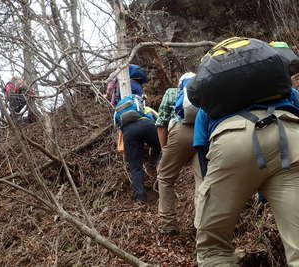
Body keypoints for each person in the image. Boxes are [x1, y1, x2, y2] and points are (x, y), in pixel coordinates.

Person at [193, 88, 299, 266]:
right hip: (288, 136)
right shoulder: (280, 84)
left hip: (233, 142)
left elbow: (201, 144)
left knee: (213, 248)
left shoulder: (211, 94)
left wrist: (213, 187)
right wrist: (266, 194)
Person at [155, 72, 202, 236]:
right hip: (203, 133)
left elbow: (161, 124)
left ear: (180, 84)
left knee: (165, 177)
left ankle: (168, 225)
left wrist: (164, 150)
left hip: (180, 132)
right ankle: (202, 225)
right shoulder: (204, 92)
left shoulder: (172, 92)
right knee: (202, 181)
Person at [115, 98, 161, 203]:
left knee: (135, 167)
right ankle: (161, 175)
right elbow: (159, 118)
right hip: (147, 125)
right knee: (162, 149)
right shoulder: (144, 108)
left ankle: (140, 197)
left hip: (129, 133)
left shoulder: (118, 114)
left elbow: (119, 129)